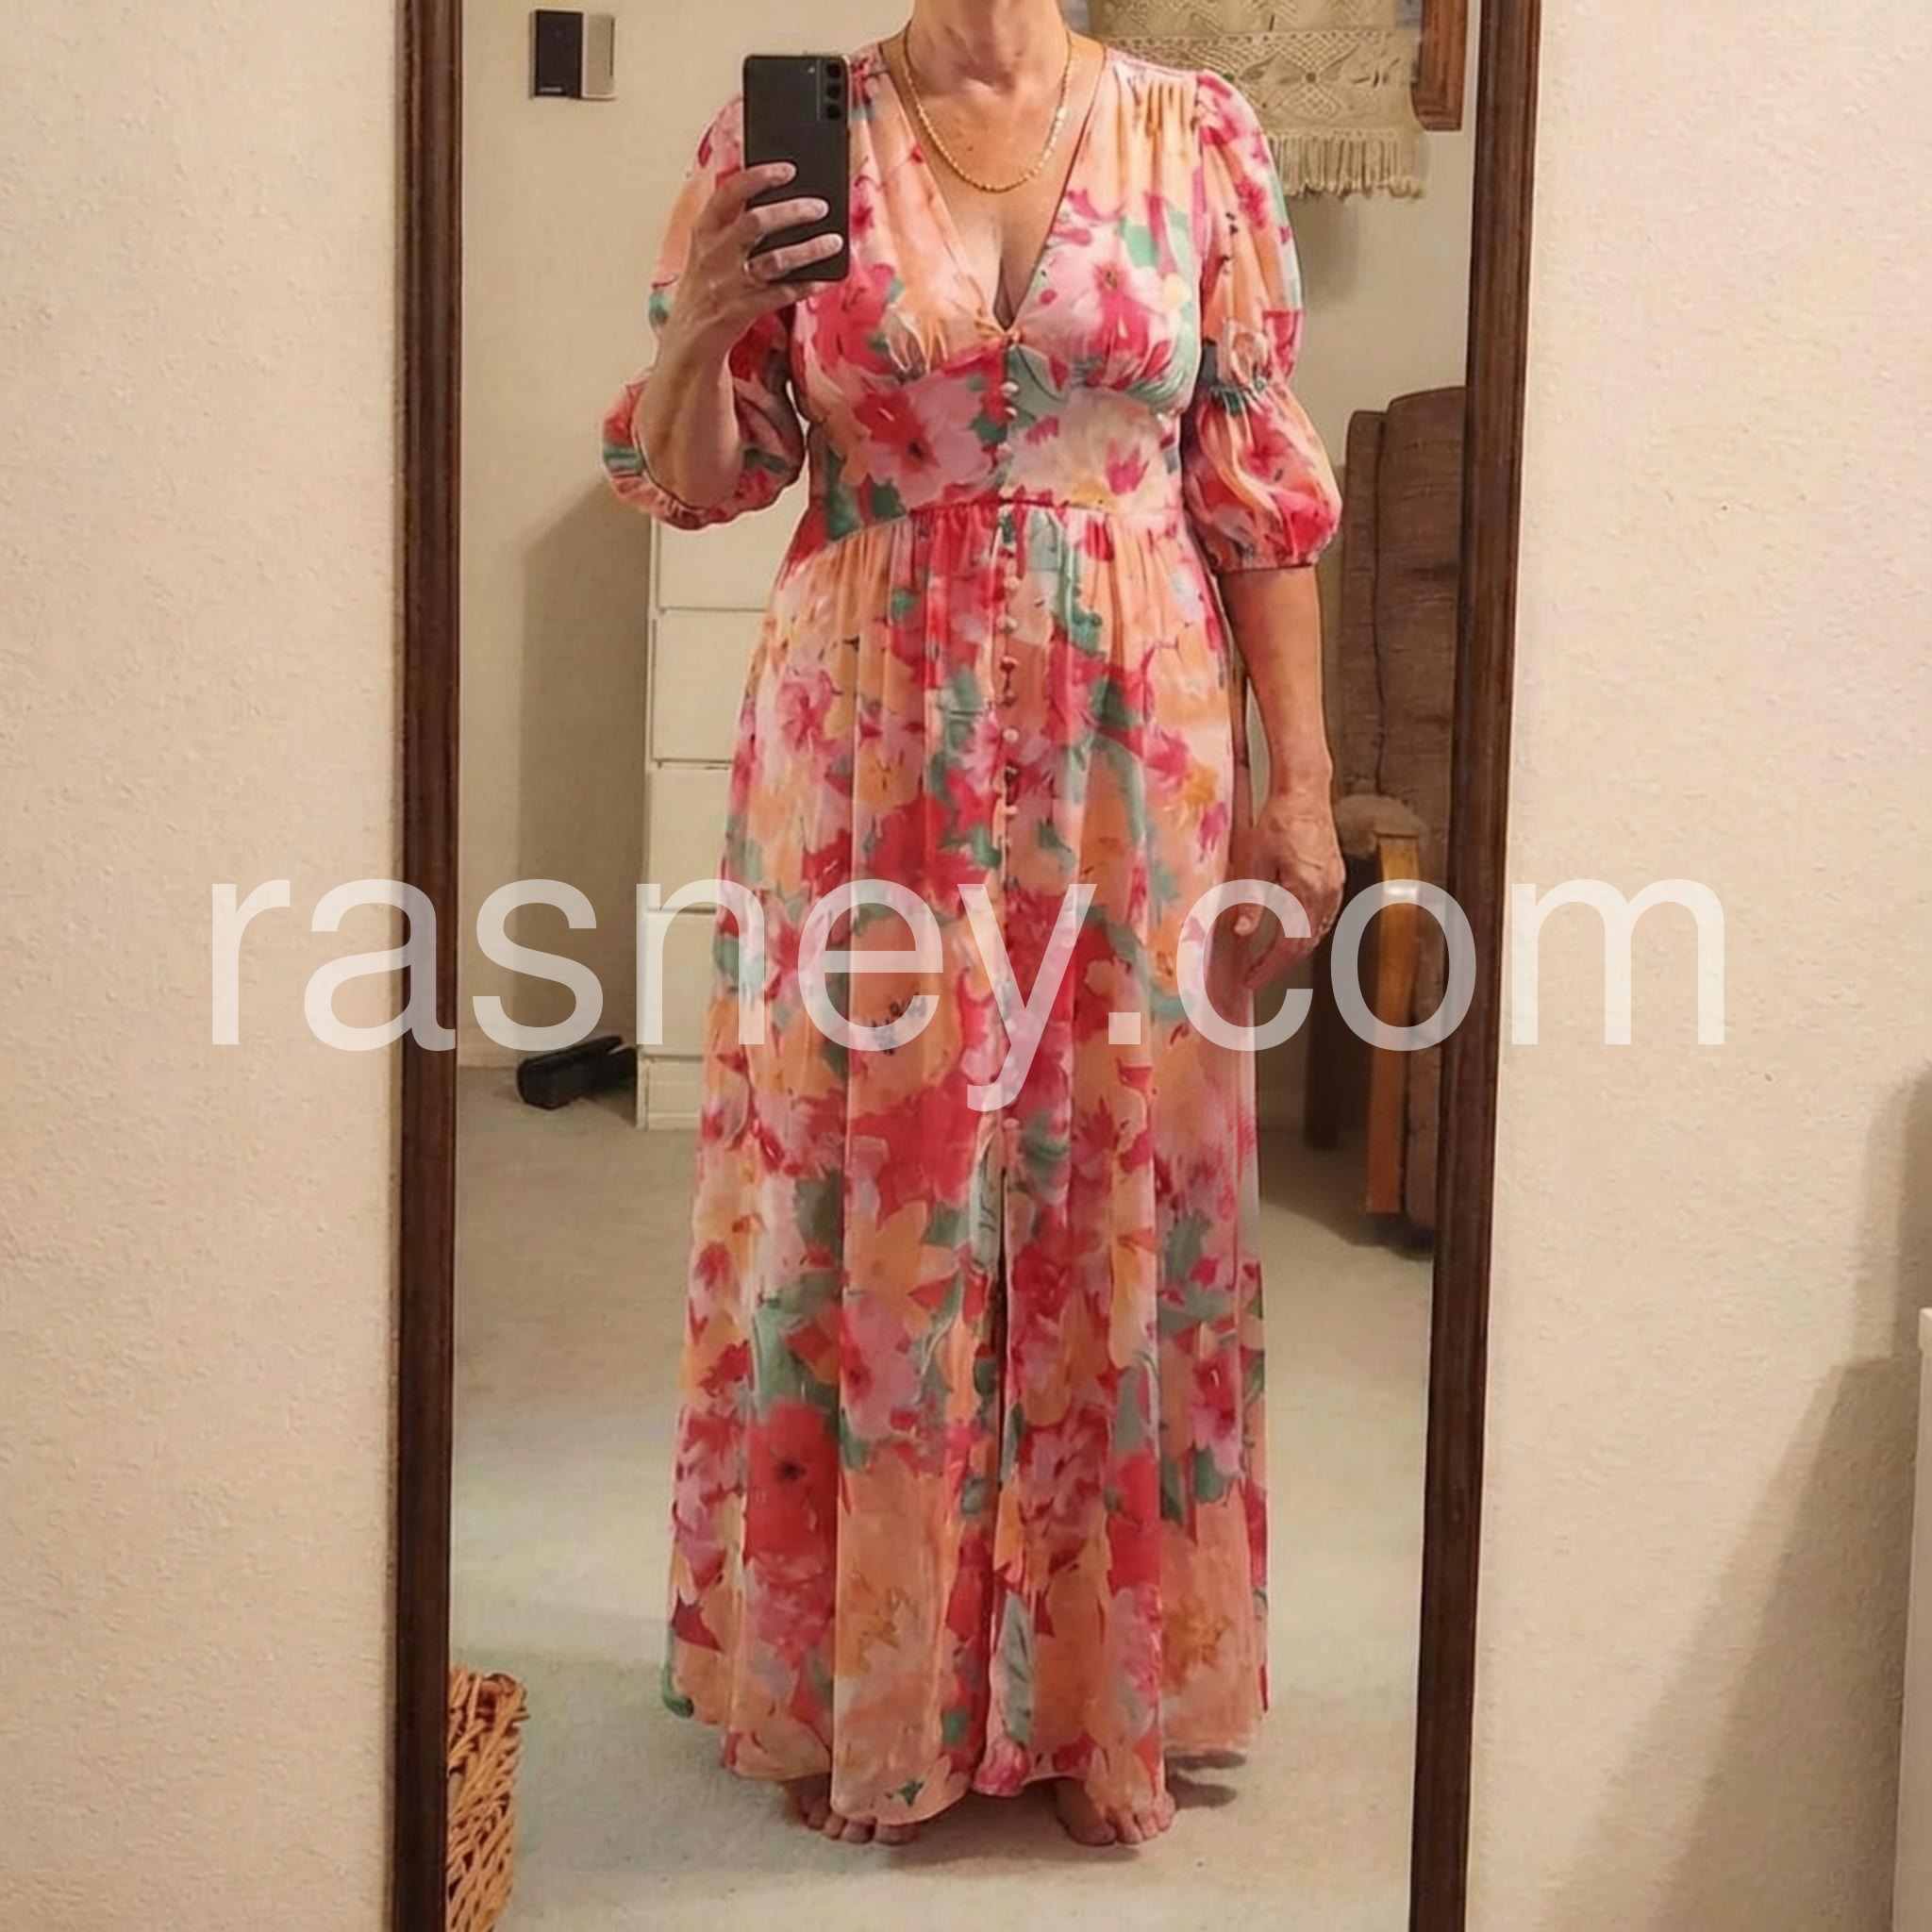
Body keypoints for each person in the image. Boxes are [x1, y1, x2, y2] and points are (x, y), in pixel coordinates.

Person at [602, 0, 1344, 1850]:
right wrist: (698, 324)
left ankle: (1097, 1693)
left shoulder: (1200, 137)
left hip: (1134, 733)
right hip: (864, 734)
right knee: (866, 1180)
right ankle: (859, 1676)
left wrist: (1305, 787)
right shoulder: (791, 133)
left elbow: (1260, 493)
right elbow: (697, 478)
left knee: (1121, 1172)